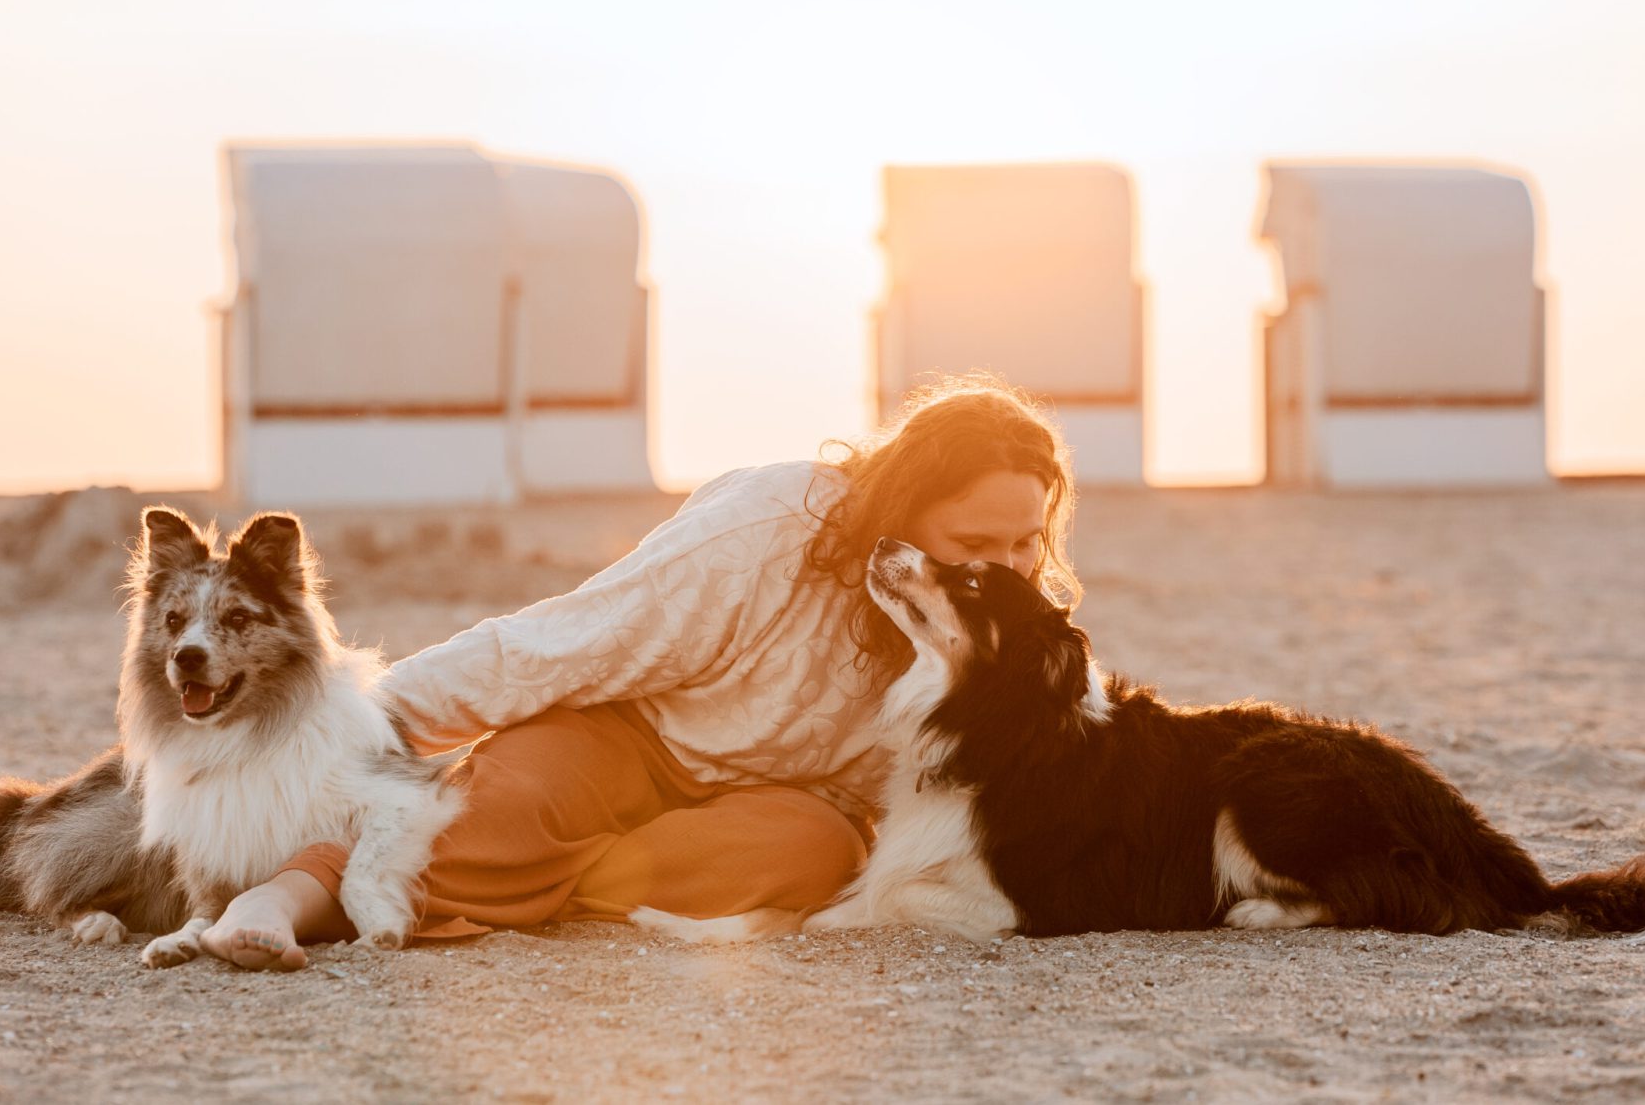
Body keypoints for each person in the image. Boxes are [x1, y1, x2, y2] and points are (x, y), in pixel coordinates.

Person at [199, 377, 1082, 969]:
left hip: (767, 814)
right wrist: (327, 738)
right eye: (972, 544)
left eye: (1024, 544)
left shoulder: (1001, 630)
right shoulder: (766, 529)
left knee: (815, 855)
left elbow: (1015, 778)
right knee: (510, 805)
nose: (1005, 571)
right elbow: (556, 645)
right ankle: (282, 899)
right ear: (898, 508)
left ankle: (531, 883)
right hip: (627, 736)